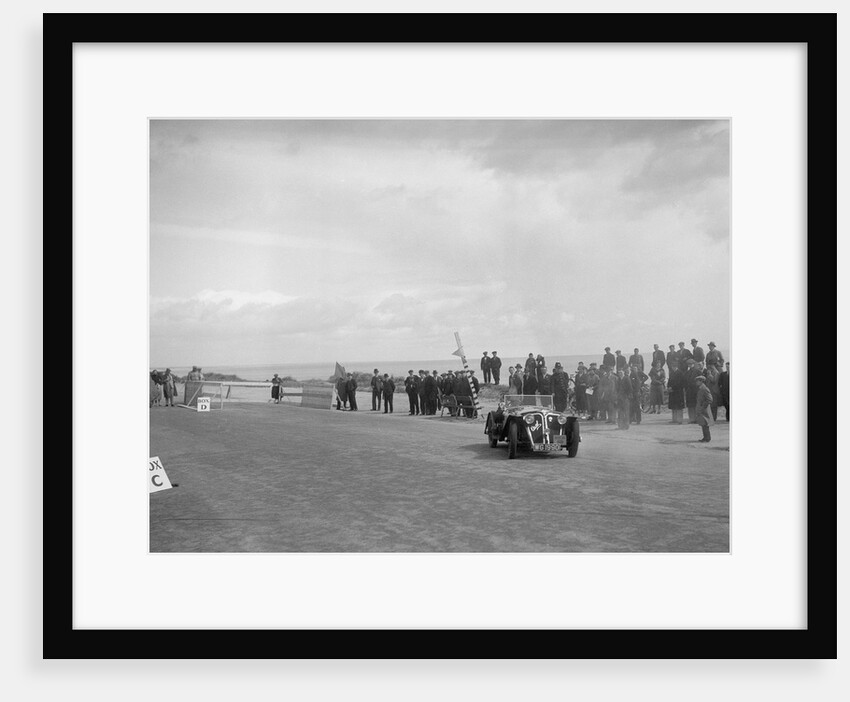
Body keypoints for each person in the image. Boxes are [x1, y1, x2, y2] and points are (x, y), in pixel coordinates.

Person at [695, 375, 713, 442]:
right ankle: (705, 437)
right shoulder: (701, 388)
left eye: (697, 381)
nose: (696, 382)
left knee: (705, 424)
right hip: (702, 409)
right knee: (703, 424)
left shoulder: (705, 389)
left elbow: (710, 399)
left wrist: (703, 406)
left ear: (701, 381)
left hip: (704, 409)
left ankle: (707, 438)